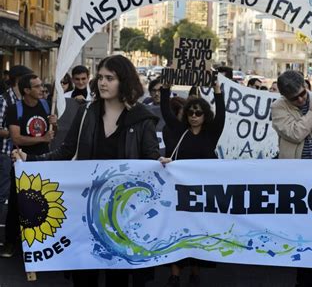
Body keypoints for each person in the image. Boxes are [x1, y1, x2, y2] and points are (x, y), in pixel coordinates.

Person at [13, 55, 160, 287]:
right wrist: (29, 159)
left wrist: (163, 163)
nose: (102, 83)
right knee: (84, 273)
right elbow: (65, 152)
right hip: (86, 210)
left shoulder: (142, 118)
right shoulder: (86, 113)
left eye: (109, 78)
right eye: (100, 77)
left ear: (124, 81)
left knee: (118, 276)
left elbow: (152, 161)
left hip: (123, 214)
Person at [271, 70, 312, 287]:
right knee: (305, 235)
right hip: (299, 180)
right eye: (294, 99)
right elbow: (296, 133)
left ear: (306, 86)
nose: (300, 100)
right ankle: (304, 282)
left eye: (302, 94)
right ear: (284, 98)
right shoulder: (278, 108)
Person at [159, 79, 225, 287]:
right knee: (177, 232)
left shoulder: (211, 133)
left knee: (198, 232)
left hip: (204, 194)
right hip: (178, 192)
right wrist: (165, 88)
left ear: (205, 115)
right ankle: (175, 274)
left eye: (199, 113)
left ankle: (195, 272)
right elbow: (165, 112)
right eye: (191, 113)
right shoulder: (180, 131)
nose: (194, 117)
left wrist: (217, 92)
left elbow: (222, 115)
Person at [0, 74, 56, 258]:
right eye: (38, 86)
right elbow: (16, 138)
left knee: (44, 200)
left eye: (42, 86)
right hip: (22, 162)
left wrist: (55, 125)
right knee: (16, 203)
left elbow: (54, 132)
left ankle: (39, 241)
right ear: (27, 91)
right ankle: (10, 242)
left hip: (44, 160)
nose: (42, 89)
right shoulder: (15, 110)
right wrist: (42, 139)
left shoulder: (46, 105)